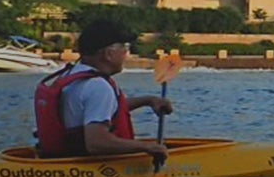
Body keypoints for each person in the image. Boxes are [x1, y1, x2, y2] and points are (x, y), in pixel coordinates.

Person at [31, 19, 173, 158]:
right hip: (91, 170)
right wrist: (146, 147)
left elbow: (94, 108)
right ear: (109, 54)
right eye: (125, 47)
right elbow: (97, 143)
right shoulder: (98, 86)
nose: (126, 54)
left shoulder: (70, 75)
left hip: (60, 160)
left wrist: (148, 100)